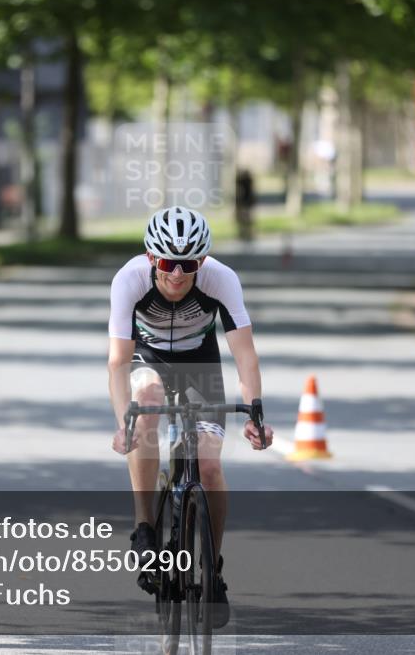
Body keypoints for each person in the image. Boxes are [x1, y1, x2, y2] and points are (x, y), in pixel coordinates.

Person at [107, 206, 275, 628]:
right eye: (167, 263)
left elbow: (245, 355)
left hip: (201, 367)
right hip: (149, 359)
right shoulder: (129, 280)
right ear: (151, 259)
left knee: (210, 467)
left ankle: (212, 570)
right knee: (144, 412)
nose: (177, 274)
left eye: (188, 265)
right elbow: (117, 362)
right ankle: (145, 526)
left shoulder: (222, 280)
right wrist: (121, 421)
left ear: (202, 262)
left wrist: (254, 414)